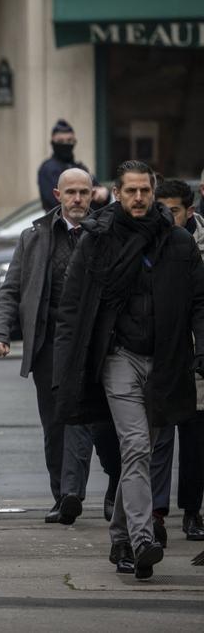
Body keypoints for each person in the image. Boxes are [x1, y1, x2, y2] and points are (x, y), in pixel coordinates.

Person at [54, 160, 204, 580]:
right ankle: (142, 539)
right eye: (131, 191)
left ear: (154, 192)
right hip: (118, 357)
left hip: (166, 359)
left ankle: (120, 538)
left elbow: (199, 301)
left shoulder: (177, 242)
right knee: (136, 446)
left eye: (145, 191)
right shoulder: (98, 239)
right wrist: (65, 368)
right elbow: (72, 308)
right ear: (117, 193)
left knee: (144, 450)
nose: (139, 198)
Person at [0, 169, 121, 524]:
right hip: (49, 344)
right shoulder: (34, 236)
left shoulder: (107, 232)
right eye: (70, 192)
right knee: (56, 425)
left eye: (83, 192)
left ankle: (114, 488)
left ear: (93, 194)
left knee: (103, 425)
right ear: (57, 195)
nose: (77, 199)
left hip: (97, 344)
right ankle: (64, 496)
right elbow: (12, 290)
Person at [148, 179, 204, 543]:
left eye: (175, 211)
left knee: (195, 439)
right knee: (159, 438)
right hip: (160, 353)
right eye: (162, 210)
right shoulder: (150, 240)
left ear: (190, 211)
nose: (168, 217)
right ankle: (157, 512)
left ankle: (192, 510)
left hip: (196, 353)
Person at [37, 119, 102, 212]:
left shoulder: (80, 168)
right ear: (53, 142)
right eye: (60, 141)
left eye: (69, 140)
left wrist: (105, 194)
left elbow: (99, 193)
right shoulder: (48, 169)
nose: (78, 199)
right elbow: (56, 203)